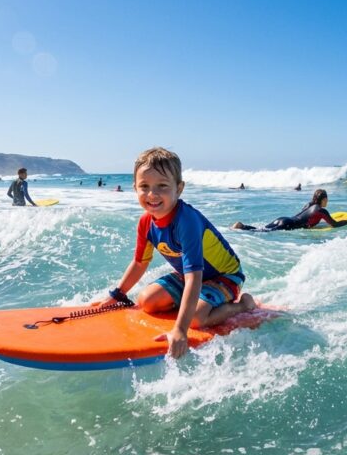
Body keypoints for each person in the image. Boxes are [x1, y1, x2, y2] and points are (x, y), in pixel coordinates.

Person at [98, 147, 256, 359]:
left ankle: (242, 305)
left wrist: (180, 330)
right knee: (147, 301)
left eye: (162, 186)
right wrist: (118, 295)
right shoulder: (146, 222)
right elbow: (139, 263)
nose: (152, 194)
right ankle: (195, 301)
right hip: (188, 275)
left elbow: (195, 276)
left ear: (179, 189)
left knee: (196, 320)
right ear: (135, 188)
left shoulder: (186, 221)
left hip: (224, 276)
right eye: (144, 186)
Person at [232, 189, 347, 231]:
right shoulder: (321, 211)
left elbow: (306, 217)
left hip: (284, 219)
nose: (327, 201)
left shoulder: (309, 205)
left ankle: (242, 226)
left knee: (261, 229)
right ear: (324, 199)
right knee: (262, 232)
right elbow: (334, 224)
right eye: (327, 199)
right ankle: (241, 226)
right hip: (288, 225)